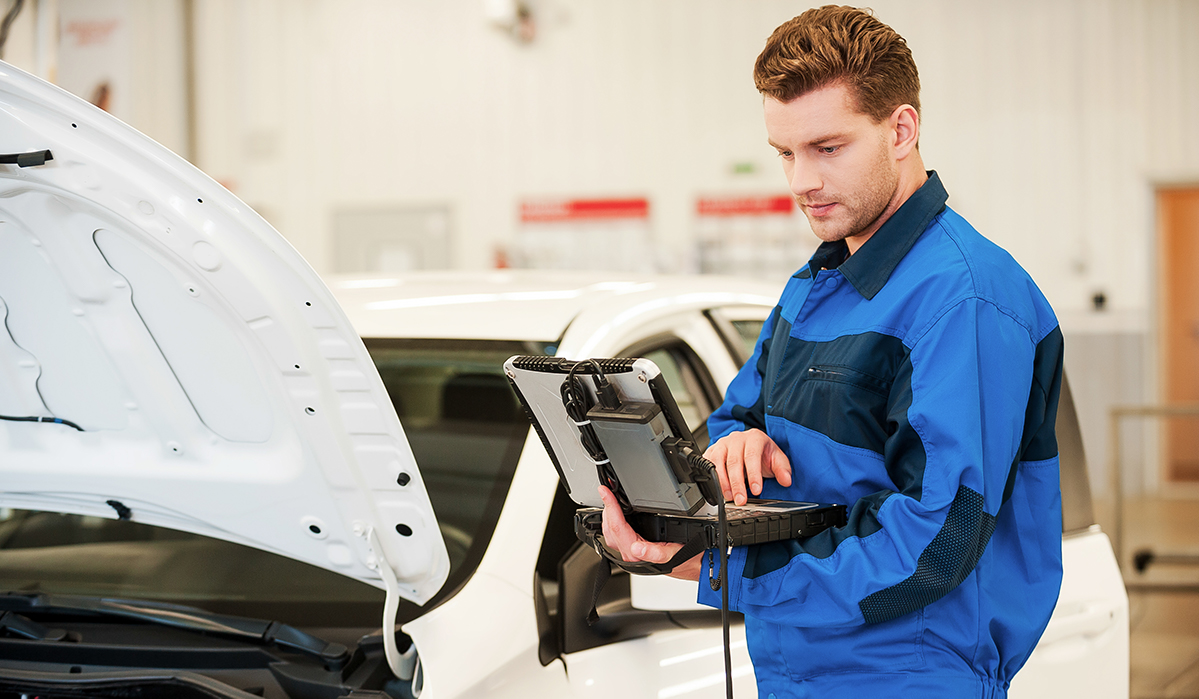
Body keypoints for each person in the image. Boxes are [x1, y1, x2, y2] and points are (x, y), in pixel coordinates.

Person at [599, 5, 1064, 697]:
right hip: (791, 664)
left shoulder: (961, 298)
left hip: (909, 673)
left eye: (827, 147)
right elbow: (736, 415)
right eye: (784, 152)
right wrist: (736, 445)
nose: (799, 181)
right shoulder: (815, 286)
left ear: (900, 129)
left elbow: (934, 541)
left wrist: (712, 567)